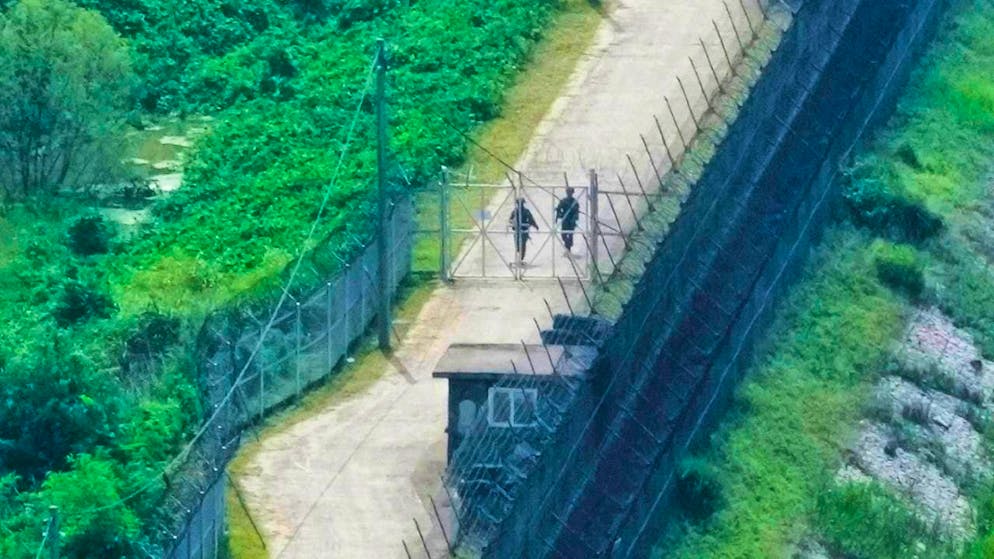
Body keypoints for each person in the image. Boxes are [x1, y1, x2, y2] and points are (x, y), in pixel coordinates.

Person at [508, 198, 538, 263]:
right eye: (519, 204)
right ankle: (519, 257)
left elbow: (531, 219)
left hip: (524, 231)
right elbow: (510, 220)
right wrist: (512, 222)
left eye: (521, 204)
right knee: (517, 245)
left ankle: (521, 258)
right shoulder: (515, 211)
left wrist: (535, 226)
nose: (520, 205)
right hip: (517, 231)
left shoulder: (526, 211)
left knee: (523, 244)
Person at [555, 187, 581, 254]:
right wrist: (557, 216)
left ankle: (568, 249)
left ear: (572, 193)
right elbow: (558, 209)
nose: (569, 194)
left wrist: (574, 219)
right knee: (563, 235)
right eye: (568, 192)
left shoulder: (575, 202)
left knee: (570, 235)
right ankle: (567, 245)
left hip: (571, 222)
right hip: (565, 221)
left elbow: (576, 212)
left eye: (570, 192)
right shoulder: (563, 201)